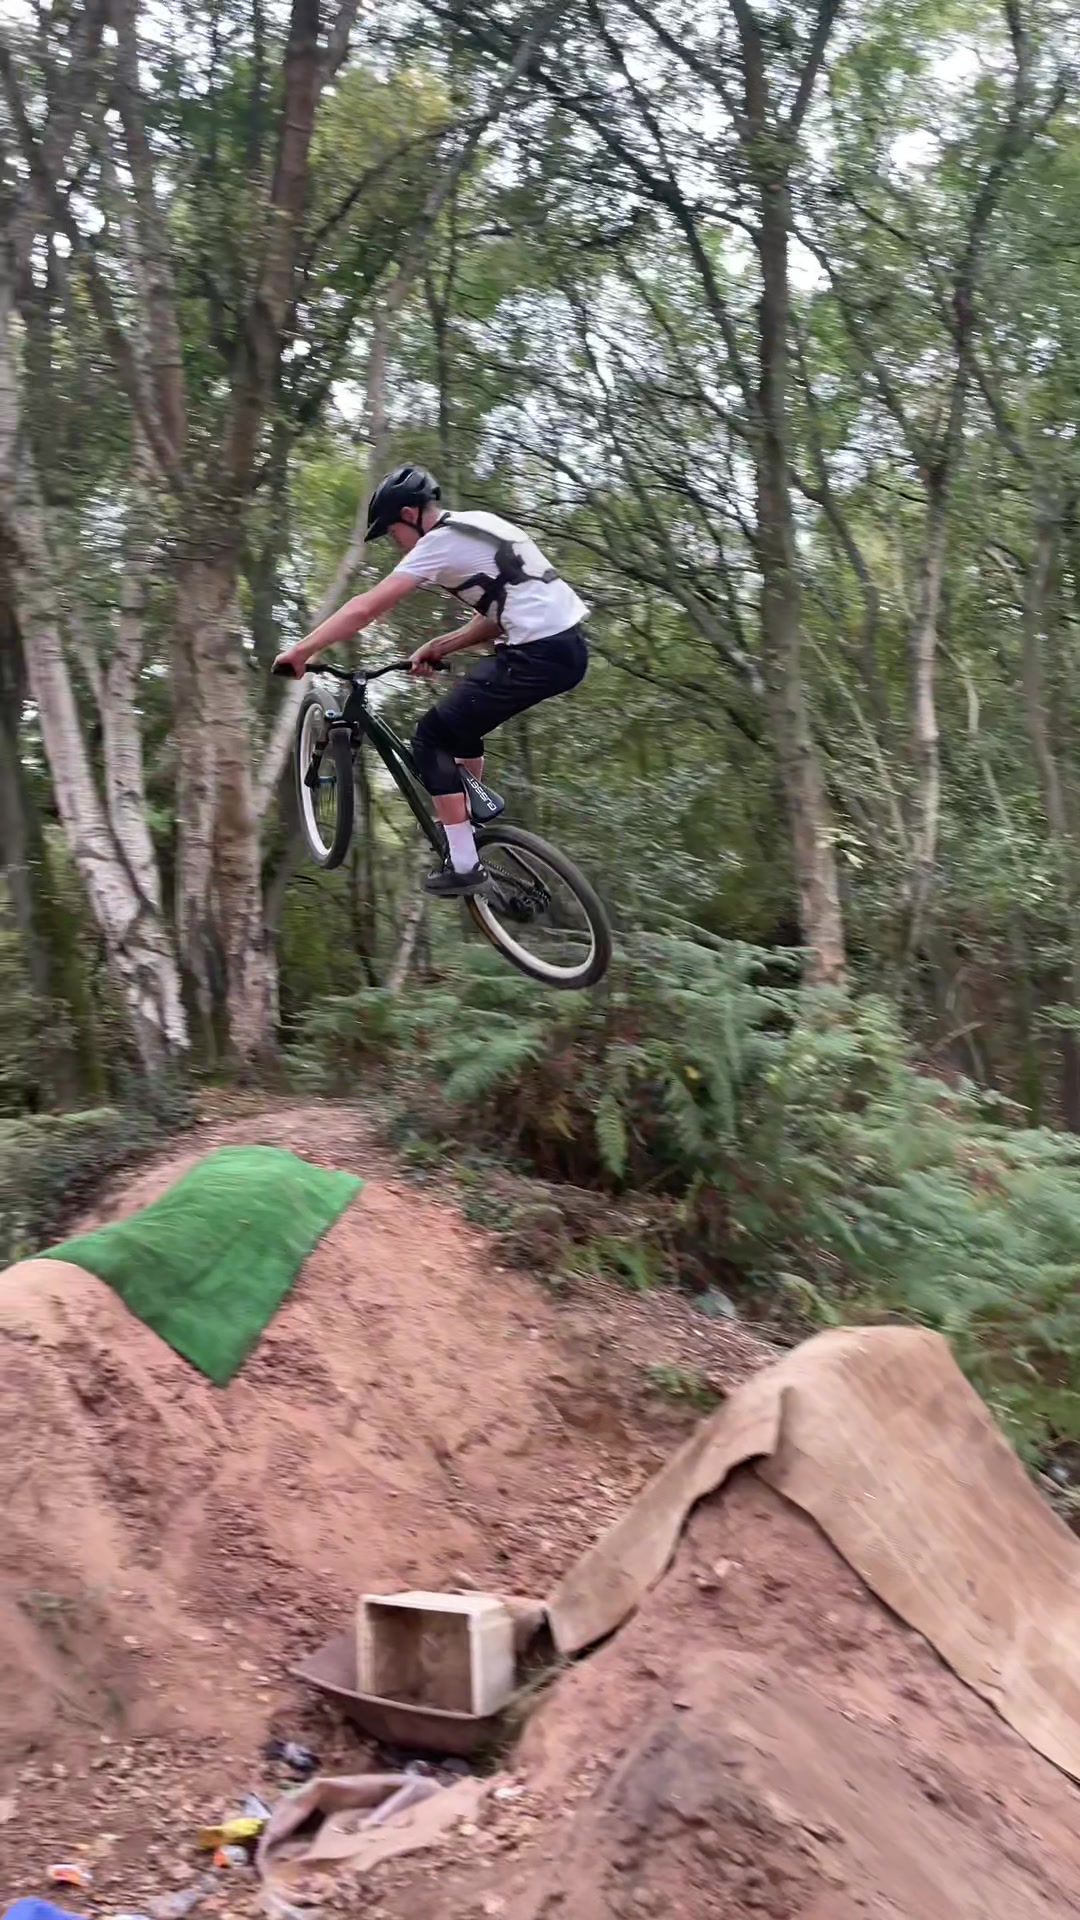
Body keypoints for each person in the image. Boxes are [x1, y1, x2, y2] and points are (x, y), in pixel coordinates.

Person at [272, 465, 589, 897]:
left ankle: (464, 863)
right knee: (460, 725)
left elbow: (364, 608)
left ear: (409, 514)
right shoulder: (479, 524)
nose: (396, 544)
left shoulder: (438, 542)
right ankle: (466, 825)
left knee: (430, 738)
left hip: (536, 654)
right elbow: (499, 612)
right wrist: (442, 644)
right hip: (565, 648)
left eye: (393, 533)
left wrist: (301, 651)